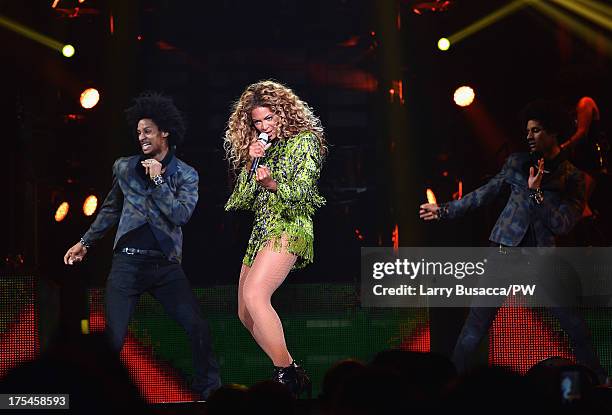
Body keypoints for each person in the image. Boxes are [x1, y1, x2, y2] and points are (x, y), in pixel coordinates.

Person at [419, 100, 608, 384]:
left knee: (572, 323)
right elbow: (485, 193)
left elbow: (562, 223)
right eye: (528, 130)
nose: (528, 136)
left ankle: (599, 379)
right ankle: (449, 383)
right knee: (476, 324)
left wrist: (536, 195)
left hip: (541, 257)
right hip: (504, 250)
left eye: (536, 130)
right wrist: (444, 210)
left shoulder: (572, 179)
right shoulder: (517, 162)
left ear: (554, 133)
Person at [63, 92, 221, 399]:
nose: (141, 138)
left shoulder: (186, 174)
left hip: (165, 266)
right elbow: (110, 209)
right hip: (127, 264)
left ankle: (208, 393)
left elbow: (181, 214)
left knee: (198, 327)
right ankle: (96, 396)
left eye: (147, 131)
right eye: (138, 133)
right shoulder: (125, 168)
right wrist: (85, 242)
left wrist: (160, 181)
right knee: (113, 337)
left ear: (164, 132)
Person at [224, 80, 327, 396]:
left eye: (269, 118)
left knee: (256, 294)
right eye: (257, 121)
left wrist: (273, 185)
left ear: (283, 112)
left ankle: (285, 372)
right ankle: (294, 370)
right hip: (261, 232)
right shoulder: (263, 148)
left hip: (290, 226)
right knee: (244, 312)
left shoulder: (305, 142)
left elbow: (306, 195)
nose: (263, 126)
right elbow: (240, 199)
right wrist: (251, 162)